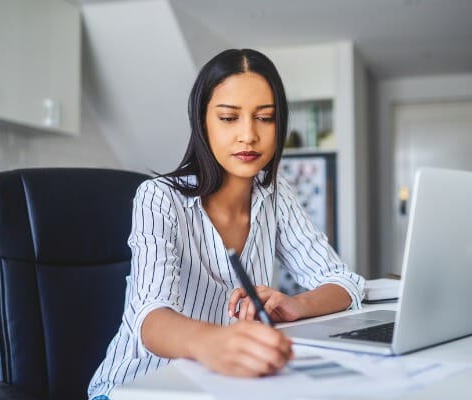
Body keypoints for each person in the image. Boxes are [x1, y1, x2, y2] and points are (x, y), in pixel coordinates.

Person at [88, 48, 365, 398]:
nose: (248, 135)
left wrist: (296, 305)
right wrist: (215, 342)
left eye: (264, 118)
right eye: (229, 118)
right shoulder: (159, 197)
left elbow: (344, 282)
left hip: (226, 387)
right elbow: (150, 318)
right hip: (135, 387)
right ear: (202, 121)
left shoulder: (276, 195)